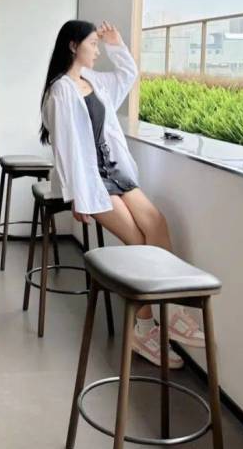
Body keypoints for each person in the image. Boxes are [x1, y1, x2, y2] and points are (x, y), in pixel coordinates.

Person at [40, 19, 204, 368]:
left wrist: (116, 43)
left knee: (156, 223)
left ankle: (168, 314)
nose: (97, 51)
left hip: (115, 170)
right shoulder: (60, 91)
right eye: (93, 44)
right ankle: (145, 329)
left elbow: (128, 75)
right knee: (137, 240)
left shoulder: (92, 81)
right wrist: (77, 196)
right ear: (73, 46)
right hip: (92, 181)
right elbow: (65, 149)